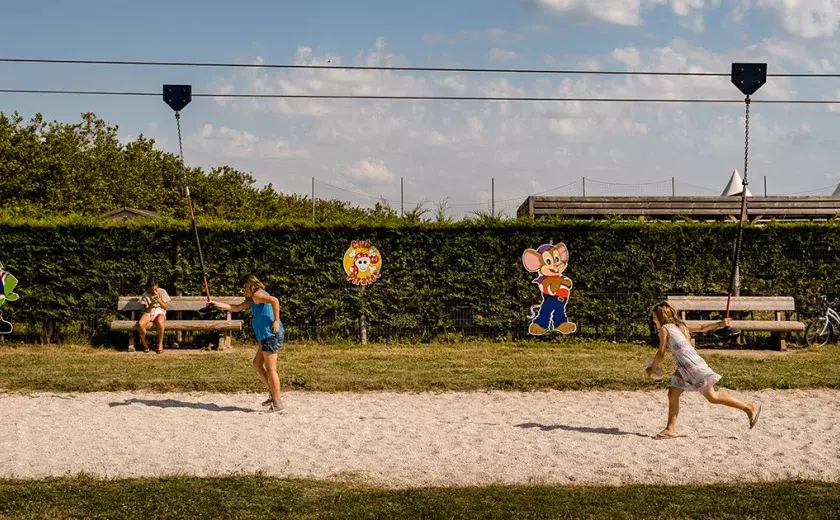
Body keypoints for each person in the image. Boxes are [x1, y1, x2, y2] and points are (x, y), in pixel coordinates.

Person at [647, 301, 761, 439]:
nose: (653, 320)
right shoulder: (680, 326)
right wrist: (719, 324)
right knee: (673, 393)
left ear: (661, 316)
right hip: (685, 368)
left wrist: (652, 368)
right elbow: (702, 327)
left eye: (654, 317)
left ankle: (749, 407)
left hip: (692, 367)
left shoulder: (665, 329)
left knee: (713, 397)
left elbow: (661, 352)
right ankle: (670, 429)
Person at [209, 274, 285, 413]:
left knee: (271, 369)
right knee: (257, 363)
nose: (243, 291)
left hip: (270, 334)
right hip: (265, 336)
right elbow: (237, 308)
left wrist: (275, 321)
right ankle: (273, 394)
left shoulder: (257, 295)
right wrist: (217, 304)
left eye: (243, 288)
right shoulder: (253, 298)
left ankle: (278, 402)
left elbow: (275, 300)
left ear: (248, 285)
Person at [138, 277, 171, 354]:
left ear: (157, 287)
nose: (154, 291)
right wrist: (152, 303)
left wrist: (159, 300)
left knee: (160, 322)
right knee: (140, 324)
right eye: (152, 290)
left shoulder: (162, 292)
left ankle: (160, 345)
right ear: (148, 288)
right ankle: (145, 345)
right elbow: (148, 311)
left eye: (155, 289)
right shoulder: (145, 294)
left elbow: (165, 307)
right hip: (150, 311)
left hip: (160, 310)